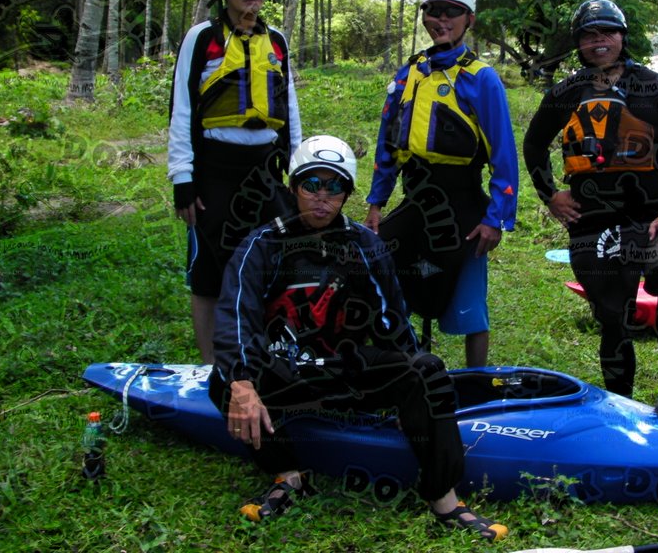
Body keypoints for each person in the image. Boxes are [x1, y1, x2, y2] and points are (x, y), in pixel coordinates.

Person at [208, 135, 508, 542]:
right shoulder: (261, 245)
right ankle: (289, 475)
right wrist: (242, 383)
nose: (321, 196)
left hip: (347, 370)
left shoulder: (364, 244)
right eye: (311, 184)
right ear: (293, 187)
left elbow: (392, 318)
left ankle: (445, 498)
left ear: (347, 193)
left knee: (426, 370)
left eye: (334, 187)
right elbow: (234, 316)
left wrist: (409, 391)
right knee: (223, 383)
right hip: (288, 374)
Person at [522, 0, 658, 420]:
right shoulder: (566, 92)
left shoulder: (656, 89)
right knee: (611, 313)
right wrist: (551, 195)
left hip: (650, 214)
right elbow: (533, 146)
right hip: (592, 221)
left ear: (622, 37)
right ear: (578, 43)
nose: (599, 40)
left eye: (607, 32)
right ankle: (621, 403)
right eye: (588, 34)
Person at [364, 0, 518, 368]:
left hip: (464, 203)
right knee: (378, 264)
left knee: (468, 300)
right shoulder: (408, 73)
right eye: (433, 10)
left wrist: (495, 220)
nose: (441, 19)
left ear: (469, 19)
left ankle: (477, 382)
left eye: (452, 12)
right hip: (417, 199)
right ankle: (402, 364)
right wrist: (377, 202)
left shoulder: (481, 78)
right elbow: (388, 144)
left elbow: (504, 156)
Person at [167, 0, 302, 364]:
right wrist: (182, 178)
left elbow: (290, 108)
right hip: (215, 172)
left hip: (265, 172)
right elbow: (182, 108)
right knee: (209, 272)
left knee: (272, 263)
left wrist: (297, 168)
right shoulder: (202, 38)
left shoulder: (276, 41)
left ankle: (259, 351)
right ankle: (210, 364)